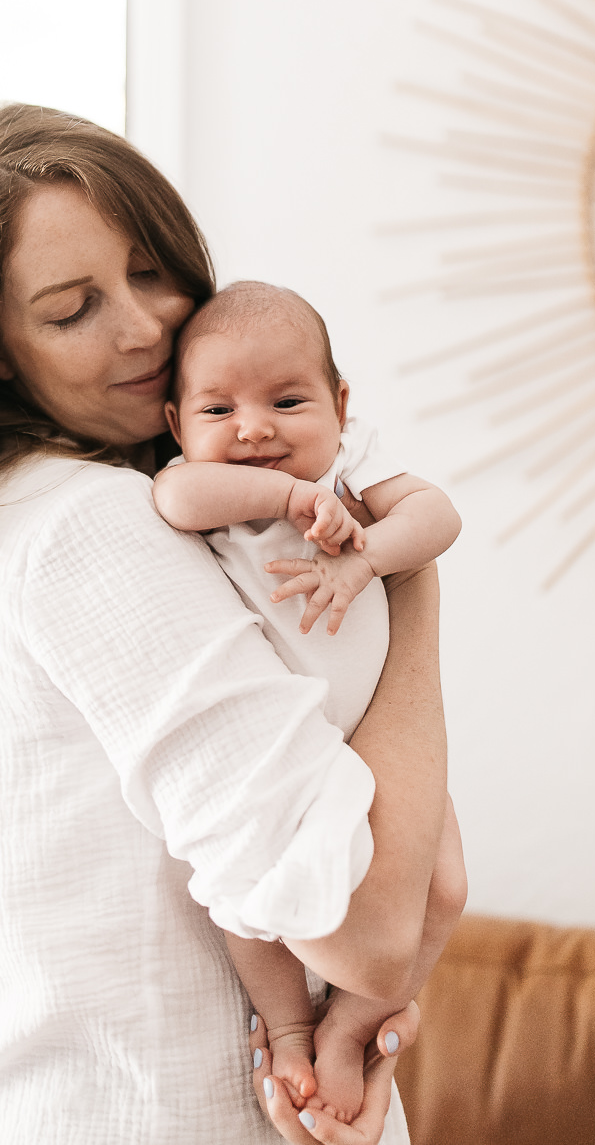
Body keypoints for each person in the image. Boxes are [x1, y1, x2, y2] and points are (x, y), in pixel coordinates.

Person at [0, 104, 449, 1144]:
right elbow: (370, 929)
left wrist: (346, 1038)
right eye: (72, 309)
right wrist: (409, 584)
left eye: (152, 270)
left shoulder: (36, 516)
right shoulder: (88, 525)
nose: (144, 327)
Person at [153, 281, 467, 1123]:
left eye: (287, 401)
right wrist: (291, 500)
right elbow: (178, 499)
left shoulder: (353, 467)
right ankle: (289, 1025)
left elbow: (438, 515)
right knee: (249, 900)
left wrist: (365, 559)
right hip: (291, 747)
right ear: (178, 426)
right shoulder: (202, 487)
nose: (254, 427)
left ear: (339, 404)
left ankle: (353, 1028)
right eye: (219, 408)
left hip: (380, 733)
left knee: (444, 888)